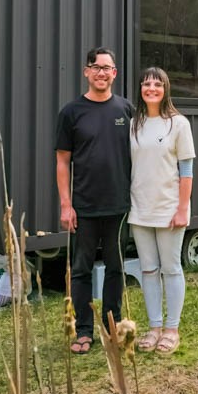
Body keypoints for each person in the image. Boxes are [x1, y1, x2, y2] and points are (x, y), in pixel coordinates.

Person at [55, 47, 133, 355]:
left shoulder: (126, 110)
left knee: (115, 267)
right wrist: (65, 204)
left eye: (108, 68)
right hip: (84, 207)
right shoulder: (71, 112)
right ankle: (84, 331)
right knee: (81, 270)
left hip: (119, 207)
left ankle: (111, 325)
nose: (102, 73)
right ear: (87, 72)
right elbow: (62, 161)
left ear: (115, 74)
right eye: (96, 67)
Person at [129, 66, 195, 355]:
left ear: (165, 88)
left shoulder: (178, 124)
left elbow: (187, 171)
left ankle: (171, 329)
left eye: (157, 84)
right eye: (146, 84)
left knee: (170, 269)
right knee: (148, 270)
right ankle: (154, 327)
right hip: (139, 209)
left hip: (169, 209)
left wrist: (182, 209)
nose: (151, 88)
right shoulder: (135, 123)